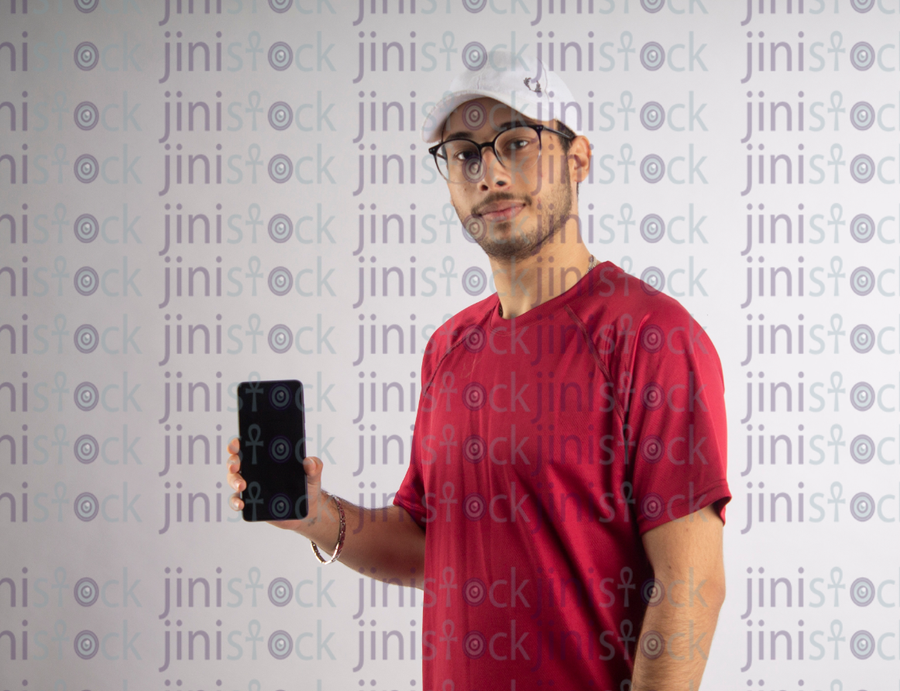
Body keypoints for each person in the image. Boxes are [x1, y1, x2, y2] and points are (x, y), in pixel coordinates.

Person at [226, 48, 731, 691]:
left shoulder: (649, 336)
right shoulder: (448, 347)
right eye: (465, 153)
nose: (489, 172)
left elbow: (691, 586)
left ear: (578, 160)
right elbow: (429, 545)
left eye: (516, 142)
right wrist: (314, 515)